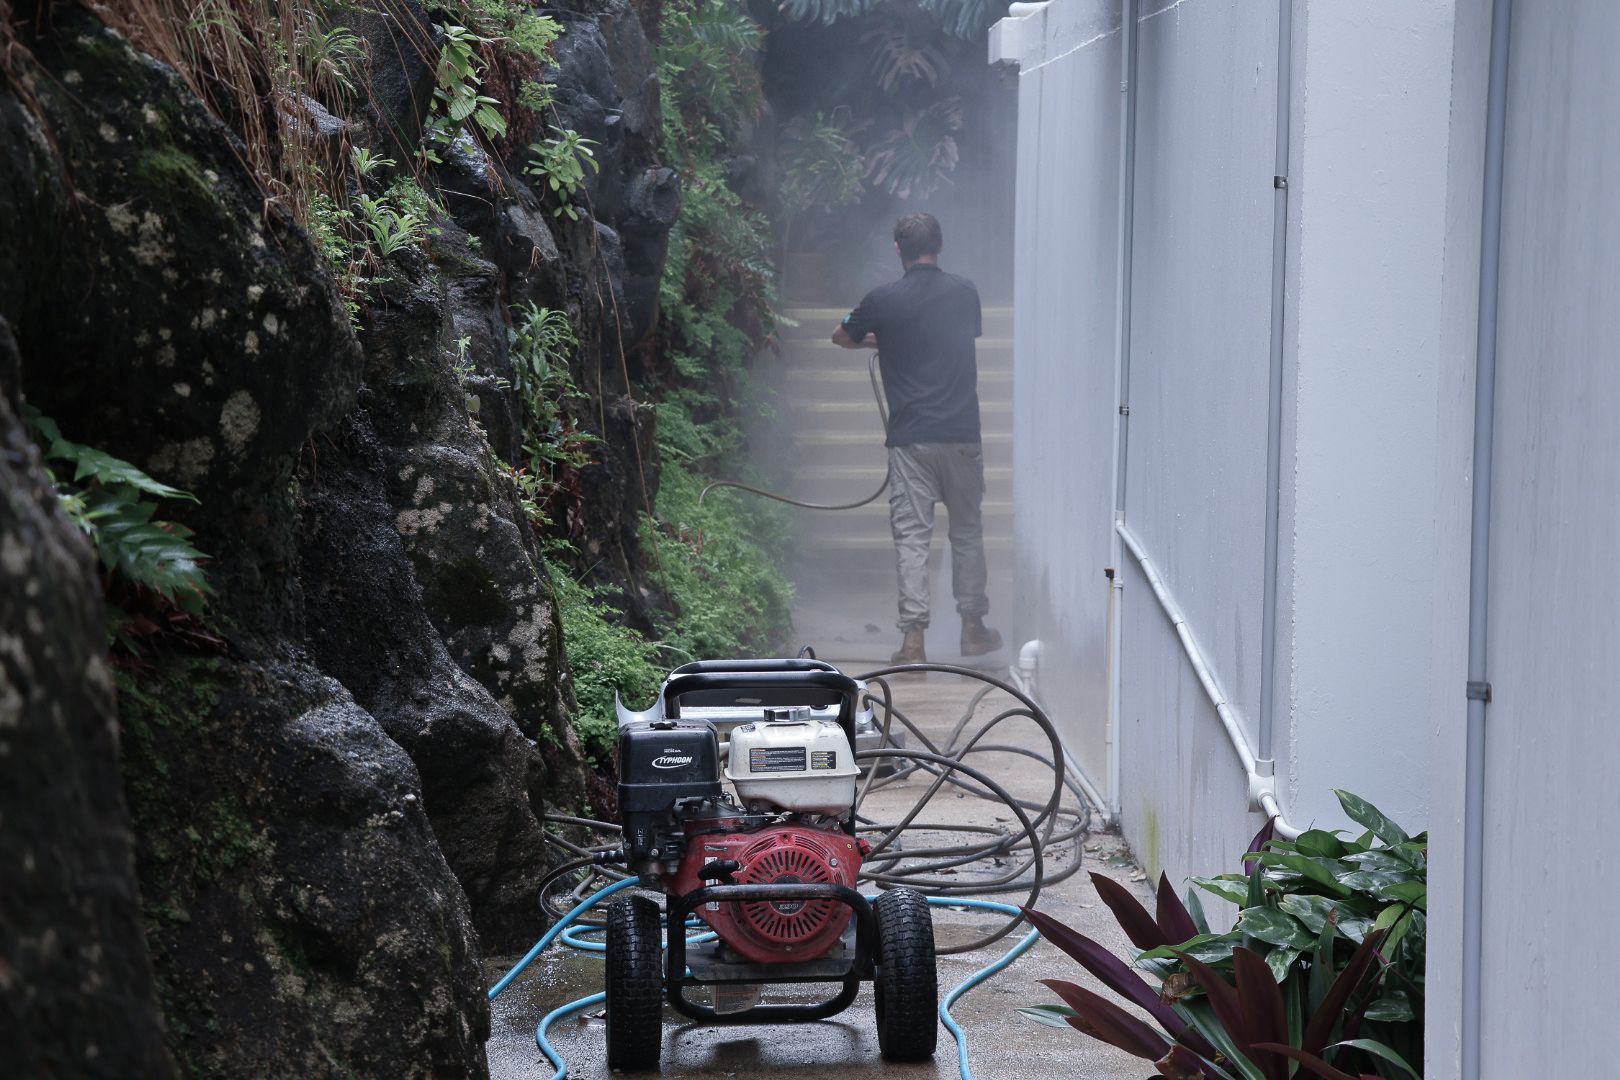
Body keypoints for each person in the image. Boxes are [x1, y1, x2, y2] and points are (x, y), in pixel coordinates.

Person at [831, 212, 1003, 664]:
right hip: (962, 434)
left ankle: (913, 643)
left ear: (897, 249)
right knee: (966, 532)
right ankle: (973, 630)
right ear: (939, 245)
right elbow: (952, 336)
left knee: (912, 537)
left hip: (911, 440)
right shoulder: (965, 293)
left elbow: (839, 335)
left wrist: (877, 340)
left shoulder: (882, 300)